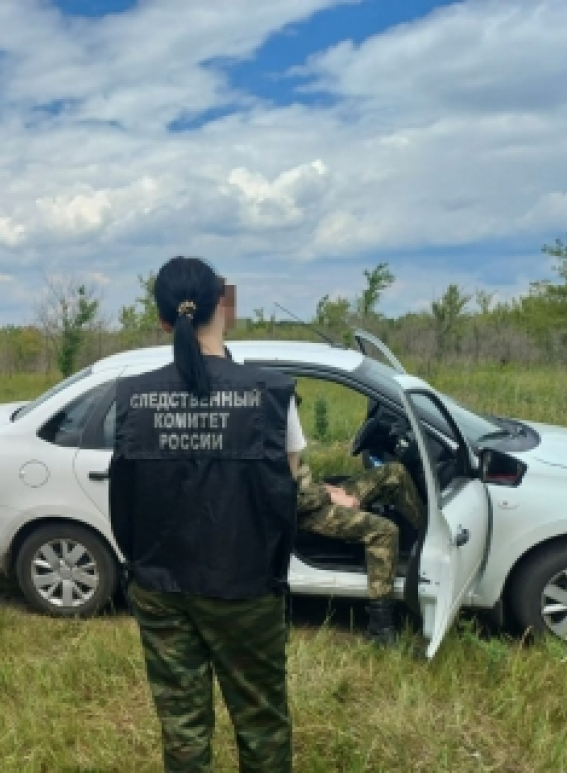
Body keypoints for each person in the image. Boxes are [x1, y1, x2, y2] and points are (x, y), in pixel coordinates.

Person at [109, 257, 304, 773]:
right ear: (225, 305)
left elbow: (123, 498)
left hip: (159, 584)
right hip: (244, 585)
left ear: (162, 319)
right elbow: (287, 495)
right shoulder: (270, 394)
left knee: (181, 723)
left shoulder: (131, 398)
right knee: (261, 718)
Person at [295, 452, 425, 645]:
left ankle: (427, 534)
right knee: (384, 531)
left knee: (394, 473)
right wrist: (330, 495)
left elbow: (300, 481)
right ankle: (380, 629)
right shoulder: (266, 441)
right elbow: (286, 497)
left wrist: (327, 488)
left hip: (315, 497)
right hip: (305, 513)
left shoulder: (281, 432)